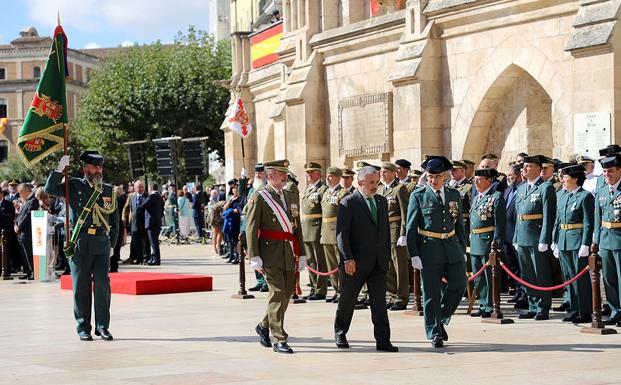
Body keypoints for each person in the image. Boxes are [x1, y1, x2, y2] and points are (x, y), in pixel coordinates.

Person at [45, 151, 119, 341]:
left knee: (103, 286)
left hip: (102, 244)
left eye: (100, 167)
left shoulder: (109, 190)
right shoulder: (73, 185)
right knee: (81, 287)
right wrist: (59, 169)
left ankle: (102, 326)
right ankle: (83, 327)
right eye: (94, 167)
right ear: (85, 168)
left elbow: (116, 222)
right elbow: (50, 188)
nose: (98, 170)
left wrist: (113, 245)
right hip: (79, 243)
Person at [334, 165, 397, 352]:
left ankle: (383, 340)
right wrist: (347, 259)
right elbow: (341, 235)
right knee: (348, 300)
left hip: (378, 262)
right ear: (360, 183)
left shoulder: (381, 201)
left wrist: (386, 256)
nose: (375, 186)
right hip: (355, 263)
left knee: (379, 304)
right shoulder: (348, 202)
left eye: (377, 182)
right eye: (371, 182)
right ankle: (340, 332)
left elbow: (384, 231)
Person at [407, 156, 467, 348]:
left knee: (459, 284)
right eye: (430, 177)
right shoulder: (418, 195)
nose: (433, 180)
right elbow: (411, 227)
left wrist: (462, 247)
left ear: (445, 176)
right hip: (429, 249)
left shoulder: (453, 194)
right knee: (431, 293)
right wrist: (414, 254)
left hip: (451, 247)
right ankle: (434, 332)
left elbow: (459, 223)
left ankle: (440, 318)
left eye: (438, 177)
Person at [246, 159, 305, 354]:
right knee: (278, 292)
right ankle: (279, 338)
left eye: (285, 173)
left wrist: (302, 253)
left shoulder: (290, 195)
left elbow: (296, 227)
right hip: (269, 253)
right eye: (281, 173)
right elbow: (251, 228)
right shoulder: (260, 197)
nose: (285, 176)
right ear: (270, 175)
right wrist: (254, 255)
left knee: (286, 294)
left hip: (288, 251)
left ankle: (264, 325)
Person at [512, 155, 556, 320]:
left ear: (538, 168)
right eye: (524, 166)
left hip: (537, 237)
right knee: (527, 274)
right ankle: (532, 304)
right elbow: (518, 215)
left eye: (528, 166)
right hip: (523, 236)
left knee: (540, 273)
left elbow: (548, 215)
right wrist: (516, 237)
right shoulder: (522, 189)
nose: (524, 169)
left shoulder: (545, 187)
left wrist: (545, 239)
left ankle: (542, 307)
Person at [552, 164, 593, 324]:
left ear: (575, 178)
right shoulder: (562, 196)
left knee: (580, 279)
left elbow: (588, 223)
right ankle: (574, 309)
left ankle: (585, 311)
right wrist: (555, 241)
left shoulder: (585, 196)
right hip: (563, 240)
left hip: (577, 241)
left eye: (565, 176)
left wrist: (585, 244)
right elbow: (558, 220)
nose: (562, 179)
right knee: (569, 277)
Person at [469, 168, 506, 318]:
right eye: (475, 180)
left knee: (488, 275)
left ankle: (491, 305)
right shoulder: (477, 197)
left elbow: (500, 224)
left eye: (479, 180)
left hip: (487, 241)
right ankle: (483, 304)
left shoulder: (495, 197)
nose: (476, 183)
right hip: (475, 240)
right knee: (478, 276)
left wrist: (496, 244)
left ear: (489, 181)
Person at [593, 153, 621, 326]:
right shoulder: (602, 191)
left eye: (610, 171)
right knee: (608, 279)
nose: (607, 175)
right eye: (604, 172)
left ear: (619, 170)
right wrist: (595, 240)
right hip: (605, 240)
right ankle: (615, 311)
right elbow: (598, 218)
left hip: (619, 240)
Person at [378, 161, 410, 311]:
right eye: (381, 172)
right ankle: (391, 295)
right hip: (383, 232)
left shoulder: (399, 189)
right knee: (388, 266)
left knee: (400, 267)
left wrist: (403, 233)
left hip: (396, 230)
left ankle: (401, 297)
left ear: (393, 173)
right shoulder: (379, 190)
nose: (382, 174)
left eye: (385, 172)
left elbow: (405, 214)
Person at [320, 167, 351, 303]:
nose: (328, 178)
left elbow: (345, 216)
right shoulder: (326, 193)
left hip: (337, 232)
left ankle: (344, 291)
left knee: (339, 264)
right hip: (326, 232)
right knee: (331, 265)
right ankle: (336, 289)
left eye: (331, 176)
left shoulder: (343, 193)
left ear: (338, 177)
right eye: (327, 175)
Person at [301, 162, 328, 300]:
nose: (309, 175)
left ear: (319, 173)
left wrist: (323, 231)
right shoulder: (307, 189)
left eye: (312, 172)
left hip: (317, 228)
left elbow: (325, 212)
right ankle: (313, 287)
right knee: (310, 261)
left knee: (320, 261)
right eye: (307, 172)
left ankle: (320, 290)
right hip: (306, 229)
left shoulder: (323, 189)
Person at [504, 164, 527, 308]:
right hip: (506, 234)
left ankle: (524, 295)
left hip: (517, 233)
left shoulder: (522, 190)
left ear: (518, 175)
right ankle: (518, 292)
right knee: (512, 266)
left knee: (522, 266)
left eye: (511, 175)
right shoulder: (507, 191)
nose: (508, 177)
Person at [244, 163, 269, 292]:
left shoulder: (267, 189)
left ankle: (266, 281)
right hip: (250, 227)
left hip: (262, 227)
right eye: (256, 173)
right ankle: (259, 280)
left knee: (263, 255)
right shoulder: (252, 190)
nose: (258, 175)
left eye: (260, 173)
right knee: (252, 253)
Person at [14, 183, 38, 280]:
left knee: (28, 253)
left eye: (20, 192)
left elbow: (28, 216)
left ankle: (32, 272)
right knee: (24, 253)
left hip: (27, 231)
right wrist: (15, 223)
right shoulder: (26, 201)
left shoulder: (33, 201)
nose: (20, 195)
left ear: (25, 191)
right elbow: (20, 215)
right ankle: (28, 272)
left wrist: (19, 226)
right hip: (21, 231)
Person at [122, 180, 148, 265]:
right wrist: (124, 218)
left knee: (145, 242)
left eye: (142, 187)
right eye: (139, 187)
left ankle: (145, 258)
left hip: (144, 223)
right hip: (134, 223)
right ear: (135, 188)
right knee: (136, 242)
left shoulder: (147, 197)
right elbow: (127, 208)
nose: (140, 189)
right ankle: (138, 259)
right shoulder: (131, 197)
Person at [138, 183, 164, 265]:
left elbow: (143, 206)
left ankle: (156, 259)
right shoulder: (160, 197)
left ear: (150, 188)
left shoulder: (152, 196)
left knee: (153, 242)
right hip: (157, 222)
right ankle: (154, 257)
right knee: (155, 241)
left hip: (151, 222)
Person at [223, 180, 242, 264]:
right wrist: (230, 201)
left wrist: (229, 211)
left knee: (236, 240)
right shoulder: (231, 198)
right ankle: (231, 256)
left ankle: (237, 257)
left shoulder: (241, 199)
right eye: (233, 188)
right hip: (229, 222)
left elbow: (237, 210)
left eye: (236, 188)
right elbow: (225, 208)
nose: (235, 190)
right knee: (230, 240)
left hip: (236, 221)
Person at [111, 185, 127, 272]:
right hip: (119, 223)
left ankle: (113, 264)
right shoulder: (123, 200)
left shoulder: (114, 201)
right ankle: (115, 264)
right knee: (117, 245)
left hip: (113, 223)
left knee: (113, 245)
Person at [0, 189, 15, 277]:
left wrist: (1, 215)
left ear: (1, 194)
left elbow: (11, 217)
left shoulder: (8, 204)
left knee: (6, 252)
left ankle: (6, 271)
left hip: (5, 231)